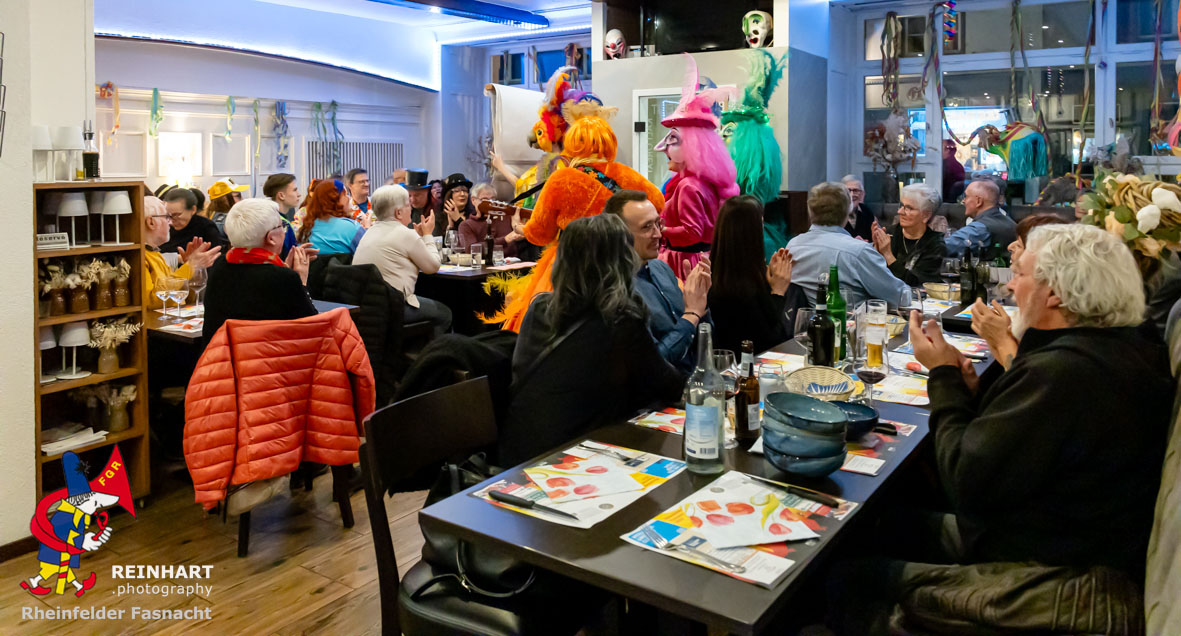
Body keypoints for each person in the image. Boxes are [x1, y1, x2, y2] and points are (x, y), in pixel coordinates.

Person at [913, 223, 1168, 574]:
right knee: (896, 515)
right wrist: (969, 395)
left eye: (1020, 275)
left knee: (856, 562)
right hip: (1064, 541)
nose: (1011, 286)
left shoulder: (1066, 372)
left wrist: (943, 375)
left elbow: (964, 482)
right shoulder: (1121, 347)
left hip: (1048, 572)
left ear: (1055, 294)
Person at [499, 214, 684, 465]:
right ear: (623, 261)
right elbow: (669, 385)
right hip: (576, 458)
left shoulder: (540, 307)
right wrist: (691, 317)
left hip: (518, 453)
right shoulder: (621, 320)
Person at [484, 95, 665, 332]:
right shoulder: (626, 174)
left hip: (571, 267)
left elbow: (540, 234)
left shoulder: (562, 178)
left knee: (549, 328)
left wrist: (521, 229)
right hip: (620, 263)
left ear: (572, 144)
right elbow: (658, 203)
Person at [656, 54, 740, 281]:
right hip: (699, 259)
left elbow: (691, 232)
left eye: (672, 140)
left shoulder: (689, 186)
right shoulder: (701, 182)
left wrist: (659, 230)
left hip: (684, 263)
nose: (662, 148)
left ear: (691, 147)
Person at [606, 189, 709, 373]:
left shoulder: (661, 268)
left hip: (694, 379)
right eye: (647, 227)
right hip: (663, 389)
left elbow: (702, 342)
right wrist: (691, 315)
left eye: (658, 224)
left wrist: (702, 302)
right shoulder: (616, 290)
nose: (659, 234)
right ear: (620, 235)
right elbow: (652, 365)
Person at [202, 198, 316, 340]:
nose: (284, 231)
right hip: (265, 353)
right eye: (282, 226)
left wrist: (284, 269)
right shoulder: (283, 278)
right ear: (271, 238)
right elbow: (311, 327)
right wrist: (301, 280)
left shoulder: (220, 264)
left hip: (221, 351)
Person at [968, 213, 1068, 370]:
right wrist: (996, 338)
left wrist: (1002, 339)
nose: (1010, 247)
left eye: (1020, 244)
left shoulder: (1064, 346)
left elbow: (1027, 377)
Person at [787, 182, 909, 307]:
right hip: (848, 318)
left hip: (804, 319)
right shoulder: (859, 252)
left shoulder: (792, 246)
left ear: (810, 211)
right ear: (847, 211)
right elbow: (900, 298)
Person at [352, 185, 452, 337]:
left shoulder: (370, 231)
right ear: (398, 213)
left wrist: (420, 237)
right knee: (444, 313)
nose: (410, 208)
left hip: (368, 307)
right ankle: (431, 352)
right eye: (407, 204)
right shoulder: (404, 234)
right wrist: (427, 235)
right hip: (394, 307)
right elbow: (433, 266)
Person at [708, 195, 793, 354]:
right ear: (751, 236)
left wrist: (768, 281)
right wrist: (778, 292)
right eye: (761, 224)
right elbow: (771, 342)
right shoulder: (739, 292)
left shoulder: (719, 277)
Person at [142, 196, 220, 310]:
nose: (170, 223)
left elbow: (185, 297)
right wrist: (191, 266)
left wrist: (194, 269)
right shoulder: (140, 257)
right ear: (151, 222)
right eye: (167, 217)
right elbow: (151, 301)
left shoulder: (155, 254)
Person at [871, 183, 947, 286]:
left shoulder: (935, 245)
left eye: (909, 208)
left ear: (926, 215)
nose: (900, 211)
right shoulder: (890, 233)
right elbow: (874, 275)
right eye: (901, 206)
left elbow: (916, 283)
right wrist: (875, 250)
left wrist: (888, 255)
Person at [945, 179, 1017, 257]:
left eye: (966, 196)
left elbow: (945, 247)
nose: (963, 201)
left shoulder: (981, 228)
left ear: (978, 201)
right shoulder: (1011, 223)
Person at [296, 179, 366, 255]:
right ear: (335, 199)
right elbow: (367, 255)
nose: (349, 198)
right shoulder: (352, 228)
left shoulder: (305, 231)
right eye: (345, 195)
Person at [457, 182, 520, 257]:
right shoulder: (466, 225)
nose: (490, 204)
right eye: (485, 200)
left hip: (514, 262)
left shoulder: (507, 217)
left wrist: (518, 227)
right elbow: (471, 250)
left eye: (492, 200)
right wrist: (505, 239)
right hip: (484, 264)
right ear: (473, 200)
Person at [159, 187, 226, 253]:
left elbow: (217, 255)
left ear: (193, 209)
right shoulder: (164, 227)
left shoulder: (206, 227)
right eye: (167, 216)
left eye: (176, 215)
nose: (170, 221)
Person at [438, 173, 475, 238]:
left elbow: (472, 237)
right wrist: (451, 227)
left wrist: (458, 219)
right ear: (449, 194)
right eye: (457, 190)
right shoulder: (439, 218)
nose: (462, 194)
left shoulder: (474, 215)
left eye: (465, 190)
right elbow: (438, 242)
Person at [841, 175, 875, 242]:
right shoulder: (835, 212)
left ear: (862, 194)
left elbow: (871, 238)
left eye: (856, 190)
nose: (851, 195)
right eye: (848, 190)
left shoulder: (866, 211)